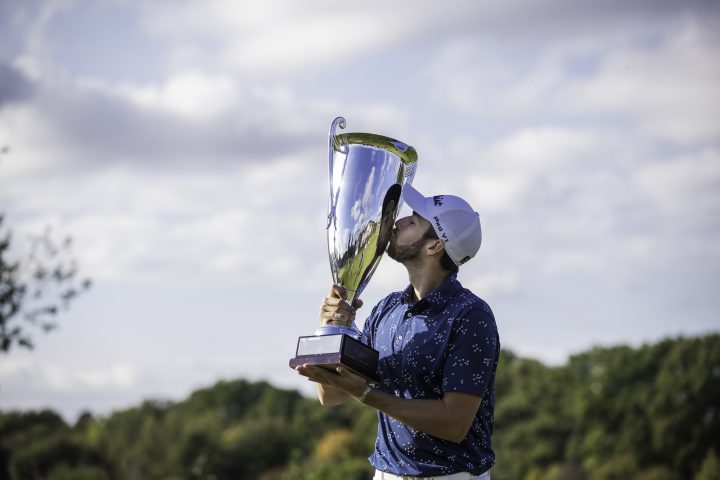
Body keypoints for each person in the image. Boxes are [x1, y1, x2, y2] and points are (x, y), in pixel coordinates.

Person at [296, 183, 500, 480]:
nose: (399, 221)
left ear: (434, 245)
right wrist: (331, 329)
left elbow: (455, 423)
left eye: (413, 221)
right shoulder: (387, 309)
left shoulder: (471, 316)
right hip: (385, 474)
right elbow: (331, 395)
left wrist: (365, 394)